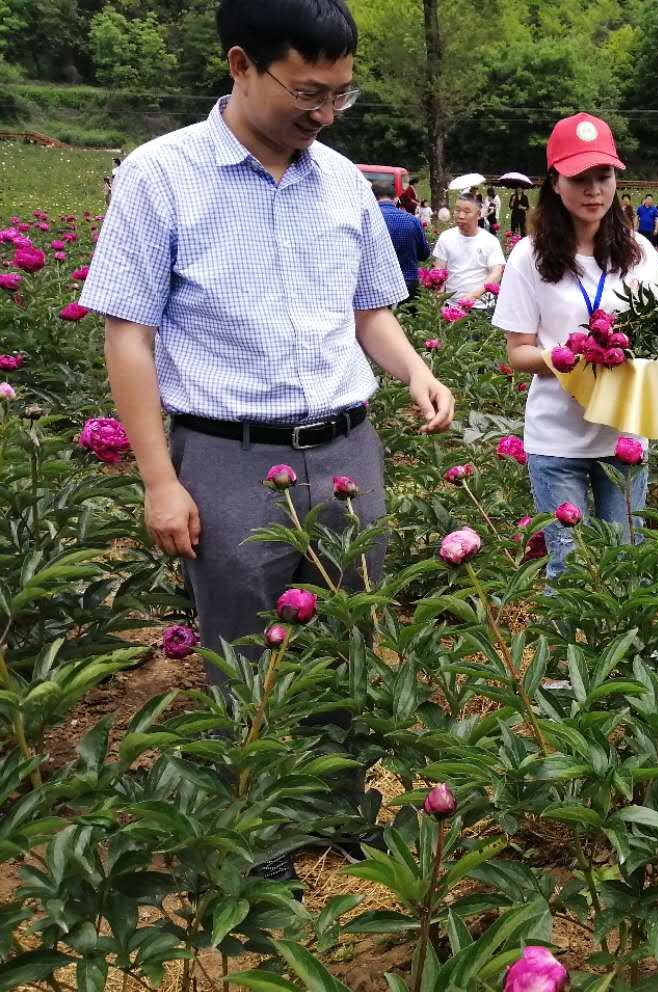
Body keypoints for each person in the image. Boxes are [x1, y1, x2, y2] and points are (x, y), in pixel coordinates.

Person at [79, 0, 456, 876]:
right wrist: (158, 481)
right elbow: (127, 333)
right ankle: (259, 830)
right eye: (308, 91)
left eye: (341, 95)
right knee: (243, 643)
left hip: (347, 445)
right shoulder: (160, 175)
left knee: (348, 632)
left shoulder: (342, 184)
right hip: (226, 450)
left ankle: (339, 801)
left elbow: (370, 310)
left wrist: (415, 372)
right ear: (242, 63)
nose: (323, 113)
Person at [491, 112, 658, 578]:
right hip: (557, 436)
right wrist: (569, 360)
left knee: (627, 560)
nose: (594, 190)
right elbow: (518, 351)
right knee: (568, 567)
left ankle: (625, 653)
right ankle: (575, 652)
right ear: (554, 181)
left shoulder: (641, 254)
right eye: (579, 178)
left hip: (624, 433)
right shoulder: (529, 256)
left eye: (603, 176)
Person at [431, 193, 505, 300]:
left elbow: (496, 273)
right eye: (457, 210)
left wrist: (473, 296)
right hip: (452, 306)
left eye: (467, 212)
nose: (461, 216)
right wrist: (439, 298)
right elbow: (439, 270)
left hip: (481, 306)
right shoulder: (446, 237)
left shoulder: (490, 241)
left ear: (479, 214)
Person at [373, 177, 430, 302]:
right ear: (396, 199)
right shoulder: (413, 220)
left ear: (372, 198)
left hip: (376, 285)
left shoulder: (367, 220)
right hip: (408, 283)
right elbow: (424, 254)